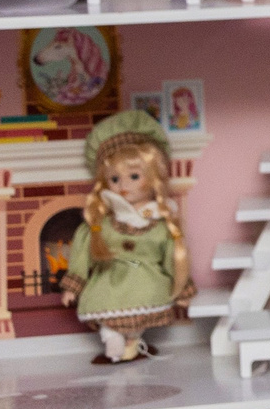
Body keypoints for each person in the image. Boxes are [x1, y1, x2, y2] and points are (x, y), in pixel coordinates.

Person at [64, 111, 195, 365]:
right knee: (103, 298)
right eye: (115, 179)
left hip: (144, 274)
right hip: (110, 274)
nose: (124, 186)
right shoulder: (101, 222)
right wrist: (74, 284)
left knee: (146, 290)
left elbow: (171, 256)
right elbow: (82, 253)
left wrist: (182, 289)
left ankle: (132, 341)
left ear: (152, 177)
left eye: (134, 176)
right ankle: (111, 334)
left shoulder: (160, 221)